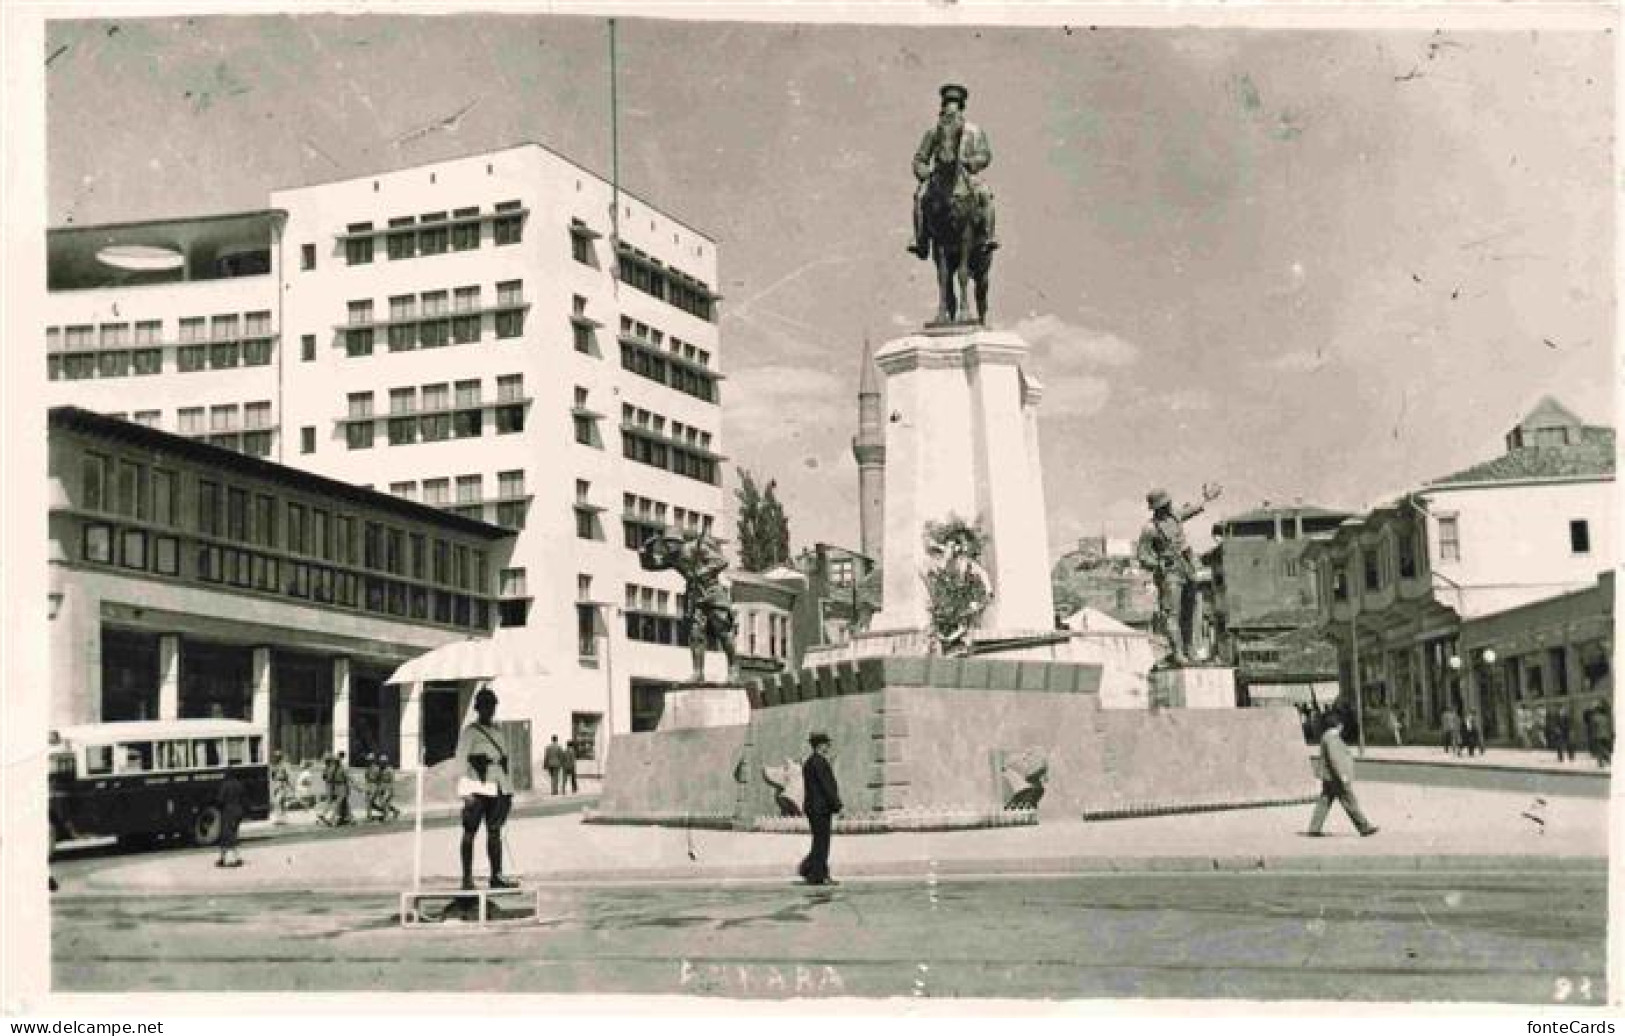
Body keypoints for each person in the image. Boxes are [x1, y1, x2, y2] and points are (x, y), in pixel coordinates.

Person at [908, 83, 998, 259]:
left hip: (967, 176)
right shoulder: (934, 132)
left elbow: (985, 154)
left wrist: (971, 163)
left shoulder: (974, 131)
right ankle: (920, 240)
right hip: (939, 176)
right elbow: (920, 158)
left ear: (961, 107)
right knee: (920, 196)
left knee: (986, 194)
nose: (951, 108)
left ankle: (989, 235)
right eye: (948, 103)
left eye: (955, 104)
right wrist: (924, 173)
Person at [1136, 483, 1222, 666]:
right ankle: (1177, 653)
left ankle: (1190, 650)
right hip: (1170, 574)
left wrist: (1206, 498)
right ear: (1158, 507)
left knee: (1190, 612)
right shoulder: (1150, 529)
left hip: (1187, 569)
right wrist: (1158, 563)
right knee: (1172, 614)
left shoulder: (1175, 515)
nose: (1169, 506)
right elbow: (1142, 556)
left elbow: (1192, 509)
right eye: (1165, 504)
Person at [457, 685, 517, 890]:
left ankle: (496, 876)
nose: (489, 710)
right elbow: (460, 762)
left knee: (494, 832)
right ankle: (466, 878)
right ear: (478, 708)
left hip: (498, 786)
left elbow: (504, 760)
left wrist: (508, 790)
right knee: (469, 831)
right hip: (477, 785)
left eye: (492, 706)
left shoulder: (498, 731)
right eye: (485, 706)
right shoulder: (470, 732)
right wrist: (465, 794)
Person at [1305, 712, 1379, 838]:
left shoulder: (1326, 737)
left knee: (1325, 801)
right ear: (1338, 725)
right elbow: (1336, 759)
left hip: (1329, 776)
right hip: (1336, 777)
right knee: (1349, 800)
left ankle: (1314, 828)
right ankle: (1364, 827)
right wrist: (1342, 775)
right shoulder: (1332, 739)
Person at [798, 731, 843, 886]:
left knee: (819, 842)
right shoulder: (820, 763)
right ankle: (816, 875)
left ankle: (813, 871)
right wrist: (837, 804)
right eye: (826, 744)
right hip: (821, 808)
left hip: (813, 807)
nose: (828, 747)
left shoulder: (809, 762)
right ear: (820, 745)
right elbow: (827, 787)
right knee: (822, 843)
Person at [216, 770, 246, 868]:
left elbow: (220, 800)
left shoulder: (225, 785)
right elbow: (244, 799)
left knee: (226, 836)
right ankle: (224, 859)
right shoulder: (239, 784)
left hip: (228, 813)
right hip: (238, 812)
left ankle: (233, 859)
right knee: (232, 834)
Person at [268, 750, 293, 825]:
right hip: (277, 784)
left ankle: (281, 818)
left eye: (278, 757)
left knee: (279, 801)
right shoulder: (275, 766)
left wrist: (290, 785)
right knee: (279, 802)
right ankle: (281, 818)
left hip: (283, 784)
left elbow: (288, 775)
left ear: (280, 757)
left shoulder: (285, 765)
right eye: (275, 757)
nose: (276, 758)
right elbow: (273, 776)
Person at [1590, 701, 1613, 768]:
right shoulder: (1605, 717)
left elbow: (1593, 728)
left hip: (1598, 736)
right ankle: (1607, 759)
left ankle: (1601, 763)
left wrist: (1593, 736)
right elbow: (1608, 727)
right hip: (1606, 735)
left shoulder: (1594, 718)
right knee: (1604, 748)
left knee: (1599, 750)